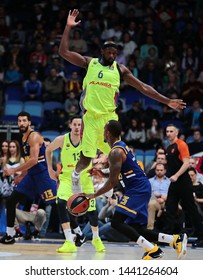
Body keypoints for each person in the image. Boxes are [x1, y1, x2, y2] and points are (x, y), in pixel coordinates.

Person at [58, 9, 186, 193]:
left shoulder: (120, 70)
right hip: (90, 117)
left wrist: (166, 101)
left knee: (116, 154)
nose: (112, 54)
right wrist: (68, 27)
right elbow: (63, 51)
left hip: (109, 119)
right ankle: (76, 176)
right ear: (102, 51)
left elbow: (143, 87)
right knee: (86, 158)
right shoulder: (90, 63)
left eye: (115, 52)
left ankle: (111, 185)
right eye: (109, 51)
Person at [86, 120, 187, 260]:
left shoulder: (115, 152)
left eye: (104, 130)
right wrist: (102, 174)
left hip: (137, 188)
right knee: (137, 228)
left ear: (107, 133)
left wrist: (94, 194)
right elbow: (120, 172)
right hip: (140, 186)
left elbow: (113, 182)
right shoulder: (120, 147)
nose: (103, 132)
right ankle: (175, 240)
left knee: (116, 222)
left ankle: (153, 249)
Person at [45, 115, 105, 253]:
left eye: (80, 125)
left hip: (85, 178)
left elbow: (105, 149)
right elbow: (48, 150)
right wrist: (50, 168)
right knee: (60, 203)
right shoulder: (62, 140)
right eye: (75, 124)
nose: (78, 127)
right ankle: (69, 241)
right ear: (70, 125)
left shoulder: (88, 139)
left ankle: (96, 238)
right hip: (67, 178)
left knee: (92, 211)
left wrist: (99, 162)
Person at [0, 111, 57, 244]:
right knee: (11, 201)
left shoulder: (33, 136)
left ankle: (75, 233)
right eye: (19, 121)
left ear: (29, 122)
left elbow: (34, 160)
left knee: (56, 205)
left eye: (24, 120)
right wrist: (22, 176)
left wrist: (14, 170)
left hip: (43, 175)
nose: (21, 123)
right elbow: (29, 162)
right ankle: (10, 235)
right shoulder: (24, 138)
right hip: (31, 175)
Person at [163, 124, 203, 247]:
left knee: (191, 208)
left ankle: (201, 236)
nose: (168, 133)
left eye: (171, 131)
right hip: (174, 182)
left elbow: (186, 163)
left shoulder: (182, 144)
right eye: (167, 131)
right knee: (169, 208)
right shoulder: (168, 147)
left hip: (183, 181)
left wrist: (176, 175)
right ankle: (167, 237)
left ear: (176, 133)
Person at [147, 163, 170, 230]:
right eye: (157, 170)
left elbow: (173, 194)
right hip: (154, 200)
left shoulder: (169, 181)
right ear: (155, 170)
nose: (159, 172)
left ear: (165, 171)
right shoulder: (149, 181)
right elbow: (147, 193)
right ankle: (149, 229)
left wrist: (164, 198)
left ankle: (172, 230)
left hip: (167, 201)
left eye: (161, 170)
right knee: (151, 204)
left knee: (178, 207)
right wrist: (158, 197)